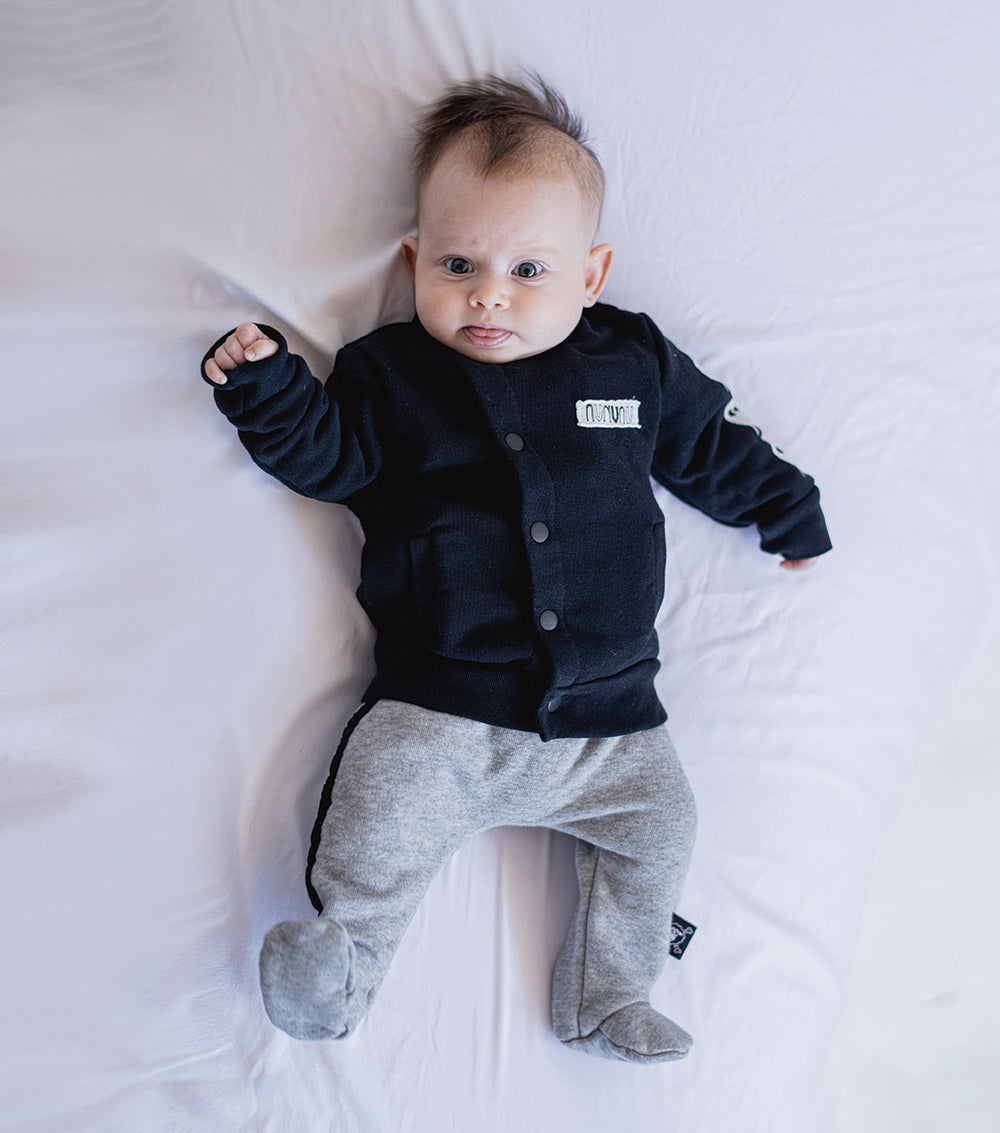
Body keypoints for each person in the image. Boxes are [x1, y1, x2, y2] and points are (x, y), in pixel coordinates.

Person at [201, 74, 831, 1064]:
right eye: (458, 263)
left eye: (530, 268)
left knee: (662, 829)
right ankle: (343, 968)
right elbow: (329, 458)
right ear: (414, 260)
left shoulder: (631, 363)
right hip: (439, 710)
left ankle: (609, 995)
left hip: (614, 723)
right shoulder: (391, 373)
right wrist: (268, 388)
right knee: (377, 827)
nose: (490, 293)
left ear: (591, 274)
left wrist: (784, 506)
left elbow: (713, 443)